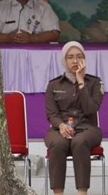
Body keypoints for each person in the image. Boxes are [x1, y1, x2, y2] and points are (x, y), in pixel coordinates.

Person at [44, 41, 103, 195]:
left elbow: (91, 109)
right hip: (59, 128)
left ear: (84, 59)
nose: (75, 61)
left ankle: (82, 192)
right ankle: (58, 192)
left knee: (79, 141)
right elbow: (52, 114)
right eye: (70, 57)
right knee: (57, 143)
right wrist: (62, 126)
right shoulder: (53, 84)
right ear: (64, 60)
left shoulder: (95, 83)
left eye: (79, 56)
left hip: (87, 127)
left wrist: (81, 81)